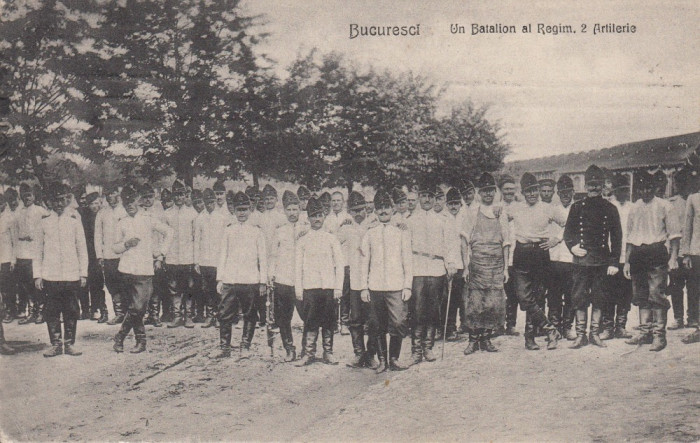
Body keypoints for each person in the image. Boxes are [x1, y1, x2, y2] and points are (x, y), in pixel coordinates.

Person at [506, 172, 567, 350]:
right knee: (524, 297)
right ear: (523, 193)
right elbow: (499, 213)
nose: (532, 194)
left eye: (534, 190)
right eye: (528, 191)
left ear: (538, 191)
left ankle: (530, 338)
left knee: (538, 297)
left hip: (540, 254)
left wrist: (557, 239)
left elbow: (567, 223)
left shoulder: (548, 208)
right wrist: (497, 209)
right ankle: (551, 330)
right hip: (521, 254)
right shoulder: (515, 208)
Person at [563, 165, 622, 349]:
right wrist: (573, 247)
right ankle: (581, 335)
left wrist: (614, 262)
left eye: (597, 185)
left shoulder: (610, 208)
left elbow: (617, 237)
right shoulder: (577, 207)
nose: (594, 188)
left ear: (603, 186)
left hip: (602, 261)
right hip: (581, 260)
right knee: (579, 297)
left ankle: (594, 334)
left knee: (599, 297)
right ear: (586, 186)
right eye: (591, 184)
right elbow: (568, 233)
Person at [624, 170, 681, 351]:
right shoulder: (634, 208)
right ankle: (645, 332)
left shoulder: (665, 206)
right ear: (638, 189)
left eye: (649, 187)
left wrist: (673, 258)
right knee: (640, 295)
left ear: (655, 188)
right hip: (638, 254)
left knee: (656, 294)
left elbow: (674, 236)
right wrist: (627, 261)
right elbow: (630, 238)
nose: (645, 191)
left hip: (656, 252)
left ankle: (659, 336)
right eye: (642, 188)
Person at [112, 186, 173, 353]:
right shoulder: (121, 222)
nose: (129, 205)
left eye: (131, 201)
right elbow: (115, 248)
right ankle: (141, 342)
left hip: (144, 270)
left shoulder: (148, 219)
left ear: (137, 202)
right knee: (133, 306)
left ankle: (120, 336)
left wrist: (161, 253)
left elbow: (169, 232)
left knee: (139, 307)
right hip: (126, 269)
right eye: (126, 202)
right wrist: (126, 244)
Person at [360, 189, 412, 372]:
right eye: (379, 208)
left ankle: (394, 358)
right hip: (375, 286)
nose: (383, 211)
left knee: (398, 322)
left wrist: (407, 286)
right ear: (374, 211)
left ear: (392, 209)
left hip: (396, 286)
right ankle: (383, 360)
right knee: (377, 324)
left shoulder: (400, 232)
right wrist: (364, 288)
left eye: (386, 207)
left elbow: (407, 260)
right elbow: (364, 261)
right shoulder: (370, 233)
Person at [34, 184, 88, 357]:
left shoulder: (74, 219)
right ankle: (56, 344)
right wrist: (38, 275)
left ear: (66, 200)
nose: (59, 203)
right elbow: (38, 250)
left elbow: (82, 248)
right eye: (55, 200)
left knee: (71, 308)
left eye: (62, 200)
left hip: (71, 273)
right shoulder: (44, 221)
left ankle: (69, 343)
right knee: (52, 309)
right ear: (50, 201)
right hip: (51, 274)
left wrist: (83, 272)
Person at [213, 191, 267, 359]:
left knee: (250, 313)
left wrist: (263, 281)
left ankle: (245, 346)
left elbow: (262, 258)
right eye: (238, 210)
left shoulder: (257, 231)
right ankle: (224, 347)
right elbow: (222, 255)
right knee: (225, 313)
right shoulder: (228, 231)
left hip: (250, 279)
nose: (242, 213)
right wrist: (220, 278)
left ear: (250, 210)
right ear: (234, 211)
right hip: (230, 279)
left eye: (245, 209)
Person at [461, 173, 510, 354]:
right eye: (484, 191)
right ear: (479, 193)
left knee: (492, 302)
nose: (488, 194)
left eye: (491, 191)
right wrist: (466, 266)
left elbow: (506, 242)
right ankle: (473, 339)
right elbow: (464, 240)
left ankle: (487, 339)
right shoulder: (472, 212)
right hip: (478, 263)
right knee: (475, 302)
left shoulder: (500, 213)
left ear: (495, 192)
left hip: (496, 263)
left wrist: (505, 268)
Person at [407, 181, 456, 364]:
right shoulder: (410, 221)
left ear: (435, 199)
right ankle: (416, 350)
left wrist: (451, 264)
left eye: (430, 196)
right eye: (423, 196)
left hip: (436, 268)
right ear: (419, 198)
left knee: (433, 308)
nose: (427, 200)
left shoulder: (443, 220)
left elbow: (451, 244)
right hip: (418, 267)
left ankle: (428, 347)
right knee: (417, 309)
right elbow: (405, 248)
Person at [294, 197, 344, 366]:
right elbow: (297, 267)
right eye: (313, 215)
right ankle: (308, 353)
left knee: (329, 320)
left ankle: (328, 352)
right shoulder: (302, 240)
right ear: (308, 218)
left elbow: (340, 265)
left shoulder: (332, 239)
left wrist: (338, 287)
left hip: (328, 287)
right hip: (310, 287)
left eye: (320, 215)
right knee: (310, 320)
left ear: (324, 216)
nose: (317, 219)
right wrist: (299, 289)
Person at [337, 191, 376, 367]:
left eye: (361, 209)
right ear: (349, 211)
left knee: (374, 319)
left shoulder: (373, 225)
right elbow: (333, 245)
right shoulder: (345, 228)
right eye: (354, 211)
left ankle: (372, 354)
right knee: (355, 319)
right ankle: (359, 354)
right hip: (354, 280)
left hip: (373, 280)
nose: (358, 213)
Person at [270, 191, 309, 362]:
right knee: (283, 317)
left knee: (307, 315)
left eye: (295, 209)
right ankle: (289, 349)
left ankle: (307, 348)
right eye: (289, 209)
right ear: (284, 211)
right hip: (283, 279)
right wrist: (270, 274)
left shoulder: (307, 229)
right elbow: (273, 255)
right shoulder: (279, 231)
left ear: (300, 209)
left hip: (303, 280)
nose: (292, 213)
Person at [599, 174, 634, 339]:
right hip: (610, 257)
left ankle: (621, 325)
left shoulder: (633, 207)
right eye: (620, 190)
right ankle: (607, 327)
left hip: (627, 257)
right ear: (614, 190)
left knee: (625, 292)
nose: (623, 193)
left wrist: (630, 258)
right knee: (607, 292)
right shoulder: (607, 206)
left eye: (626, 190)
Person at [163, 180, 198, 328]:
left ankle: (188, 316)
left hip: (187, 256)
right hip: (172, 257)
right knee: (173, 286)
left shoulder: (192, 213)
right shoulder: (166, 214)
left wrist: (195, 259)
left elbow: (196, 238)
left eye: (181, 195)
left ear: (185, 196)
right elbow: (163, 237)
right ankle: (177, 316)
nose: (178, 198)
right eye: (176, 195)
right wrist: (163, 255)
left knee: (189, 286)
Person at [16, 183, 49, 325]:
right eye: (24, 195)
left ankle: (41, 312)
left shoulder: (41, 211)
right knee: (26, 284)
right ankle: (32, 311)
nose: (27, 198)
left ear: (34, 196)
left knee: (37, 282)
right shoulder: (19, 212)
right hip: (22, 252)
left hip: (36, 252)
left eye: (29, 195)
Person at [547, 175, 575, 339]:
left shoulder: (578, 208)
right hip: (553, 258)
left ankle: (567, 326)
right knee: (554, 294)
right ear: (558, 193)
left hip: (571, 258)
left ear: (573, 191)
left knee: (570, 294)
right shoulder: (552, 209)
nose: (565, 194)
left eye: (568, 191)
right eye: (562, 191)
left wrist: (559, 237)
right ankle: (554, 328)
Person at [194, 189, 227, 329]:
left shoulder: (222, 217)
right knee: (207, 289)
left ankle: (220, 316)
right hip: (204, 260)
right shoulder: (199, 218)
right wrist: (196, 261)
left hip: (218, 260)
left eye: (212, 202)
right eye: (207, 202)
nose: (210, 205)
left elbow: (226, 240)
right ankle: (210, 314)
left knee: (219, 289)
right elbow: (196, 240)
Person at [95, 184, 127, 325]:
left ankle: (129, 313)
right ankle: (119, 313)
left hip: (124, 255)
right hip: (108, 255)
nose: (110, 197)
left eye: (112, 194)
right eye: (107, 195)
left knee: (126, 283)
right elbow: (98, 235)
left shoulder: (125, 210)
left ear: (118, 194)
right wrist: (99, 255)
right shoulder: (102, 213)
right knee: (112, 284)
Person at [667, 168, 693, 330]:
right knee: (676, 287)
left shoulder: (695, 200)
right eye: (679, 183)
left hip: (692, 252)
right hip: (676, 253)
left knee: (693, 287)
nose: (682, 186)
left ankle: (692, 317)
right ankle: (678, 318)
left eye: (685, 183)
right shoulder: (671, 204)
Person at [442, 187, 466, 340]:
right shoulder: (444, 220)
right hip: (450, 265)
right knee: (449, 299)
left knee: (461, 297)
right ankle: (449, 328)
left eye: (456, 203)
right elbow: (444, 245)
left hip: (463, 264)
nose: (453, 207)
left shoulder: (464, 218)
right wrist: (449, 263)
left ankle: (465, 324)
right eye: (451, 204)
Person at [81, 192, 108, 323]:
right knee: (83, 281)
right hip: (86, 252)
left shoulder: (104, 214)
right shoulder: (84, 216)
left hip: (99, 253)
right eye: (91, 203)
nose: (94, 206)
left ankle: (98, 309)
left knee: (97, 283)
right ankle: (86, 310)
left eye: (96, 203)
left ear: (101, 203)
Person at [498, 175, 519, 336]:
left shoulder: (521, 207)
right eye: (506, 189)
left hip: (518, 255)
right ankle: (498, 324)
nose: (509, 192)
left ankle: (511, 324)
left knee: (513, 292)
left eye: (512, 188)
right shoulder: (496, 208)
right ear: (501, 190)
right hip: (500, 255)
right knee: (499, 291)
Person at [681, 167, 700, 344]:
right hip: (697, 252)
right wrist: (685, 254)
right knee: (695, 290)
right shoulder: (693, 199)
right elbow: (687, 228)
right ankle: (698, 327)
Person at [0, 192, 17, 324]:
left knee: (7, 287)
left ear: (4, 204)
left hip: (6, 258)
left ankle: (11, 311)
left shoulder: (10, 218)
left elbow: (15, 242)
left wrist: (13, 260)